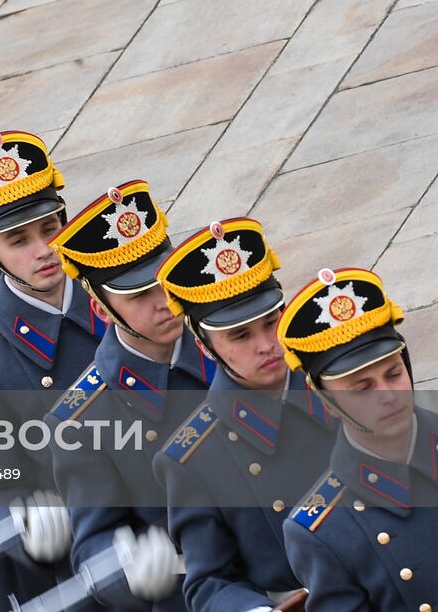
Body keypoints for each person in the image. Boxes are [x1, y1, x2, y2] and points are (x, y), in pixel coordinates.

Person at [45, 181, 213, 609]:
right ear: (102, 310)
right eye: (141, 295)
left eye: (164, 282)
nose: (164, 303)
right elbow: (93, 542)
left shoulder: (228, 338)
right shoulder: (82, 419)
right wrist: (130, 569)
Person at [0, 131, 91, 608]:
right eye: (18, 240)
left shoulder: (114, 299)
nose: (43, 250)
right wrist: (26, 521)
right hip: (91, 554)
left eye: (50, 228)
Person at [153, 218, 333, 612]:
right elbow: (210, 581)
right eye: (240, 335)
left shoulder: (337, 383)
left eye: (271, 323)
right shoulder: (192, 457)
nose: (267, 345)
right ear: (204, 345)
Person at [279, 267, 438, 612]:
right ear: (326, 401)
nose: (387, 394)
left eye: (393, 373)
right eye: (362, 388)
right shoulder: (323, 528)